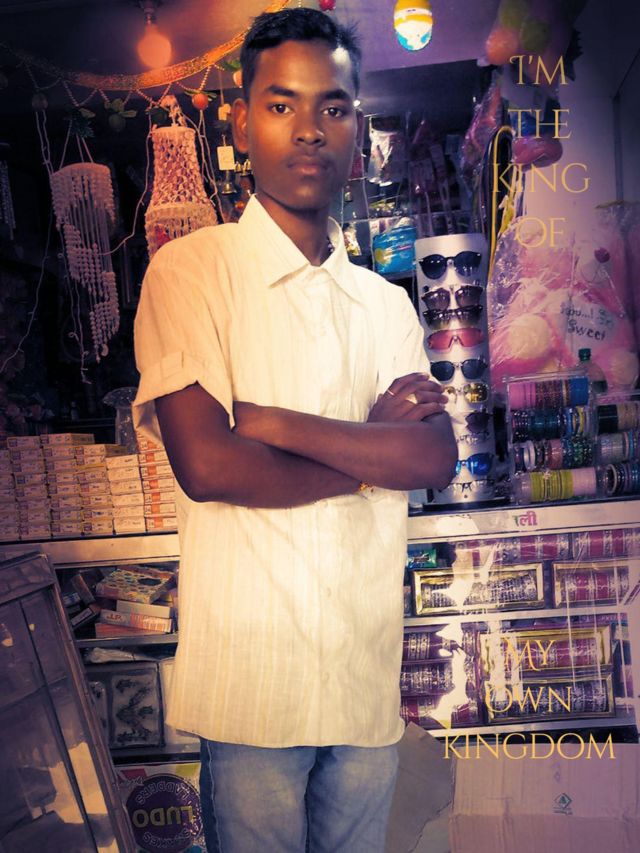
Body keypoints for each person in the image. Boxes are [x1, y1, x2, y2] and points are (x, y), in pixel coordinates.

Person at [133, 7, 457, 852]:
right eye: (281, 105)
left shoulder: (385, 305)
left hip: (361, 684)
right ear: (242, 123)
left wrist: (271, 424)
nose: (309, 129)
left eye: (332, 106)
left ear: (356, 127)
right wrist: (366, 451)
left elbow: (430, 454)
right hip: (253, 693)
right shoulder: (191, 274)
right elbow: (209, 465)